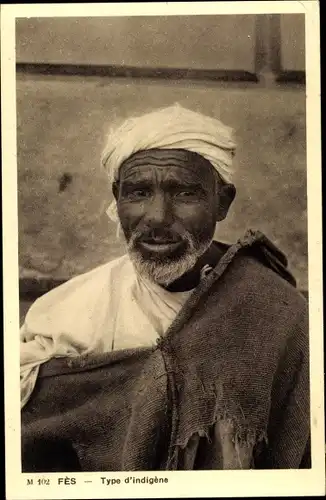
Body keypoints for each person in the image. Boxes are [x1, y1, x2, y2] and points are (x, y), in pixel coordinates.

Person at [20, 104, 310, 472]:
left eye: (184, 193)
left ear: (222, 202)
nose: (157, 217)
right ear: (117, 197)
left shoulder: (276, 312)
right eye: (138, 193)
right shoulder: (64, 317)